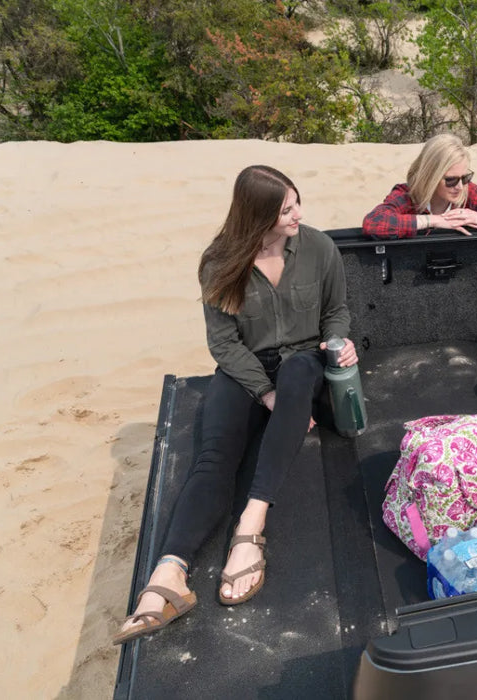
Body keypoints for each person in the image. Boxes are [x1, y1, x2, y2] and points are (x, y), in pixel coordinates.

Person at [113, 165, 356, 645]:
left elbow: (336, 311)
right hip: (246, 367)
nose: (298, 215)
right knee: (213, 457)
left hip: (304, 363)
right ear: (257, 216)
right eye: (285, 210)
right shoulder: (219, 261)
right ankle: (170, 571)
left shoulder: (319, 247)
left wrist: (338, 342)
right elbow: (223, 343)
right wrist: (264, 392)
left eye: (296, 203)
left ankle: (251, 523)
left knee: (298, 372)